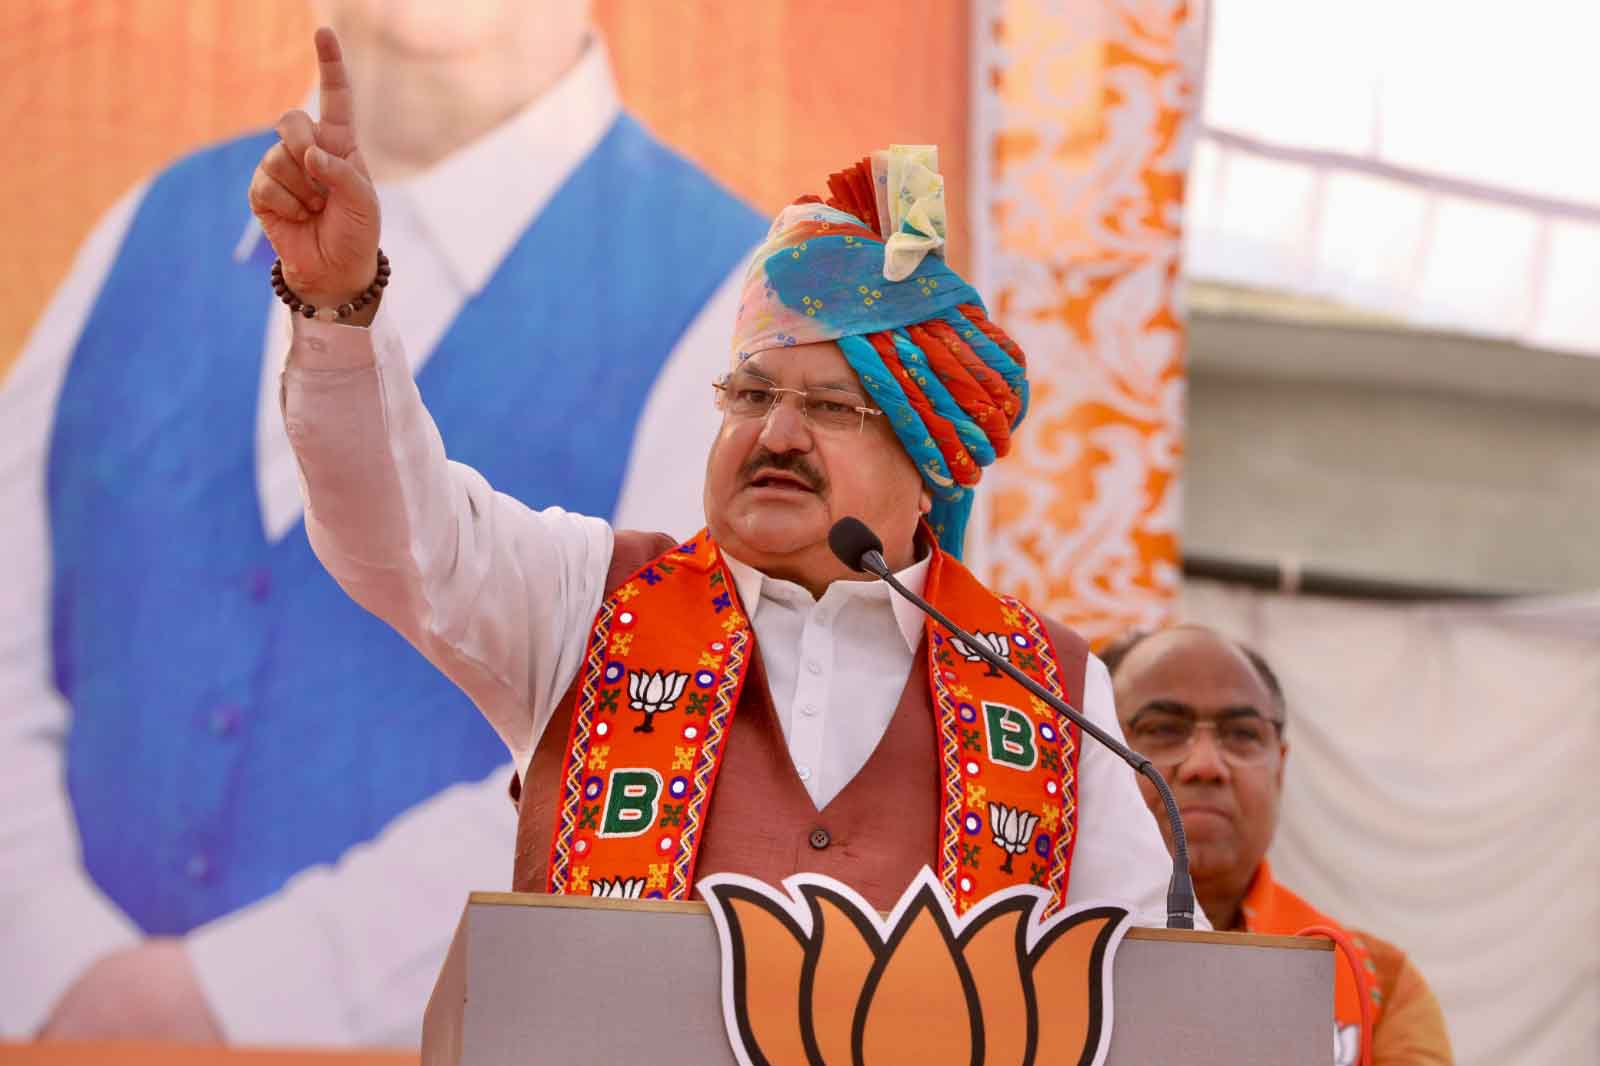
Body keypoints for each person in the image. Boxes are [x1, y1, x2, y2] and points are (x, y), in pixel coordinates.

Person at [259, 28, 1184, 929]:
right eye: (750, 393)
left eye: (831, 409)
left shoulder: (1046, 689)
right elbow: (395, 533)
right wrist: (339, 305)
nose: (776, 432)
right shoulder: (588, 602)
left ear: (926, 461)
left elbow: (1138, 986)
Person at [2, 0, 764, 1045]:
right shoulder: (148, 226)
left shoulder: (744, 305)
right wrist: (52, 958)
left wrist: (225, 1000)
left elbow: (654, 749)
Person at [1103, 625, 1453, 1066]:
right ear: (1095, 755)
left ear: (1280, 769)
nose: (1206, 765)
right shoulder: (1021, 950)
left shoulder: (1373, 981)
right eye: (1163, 728)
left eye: (1242, 734)